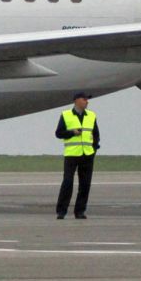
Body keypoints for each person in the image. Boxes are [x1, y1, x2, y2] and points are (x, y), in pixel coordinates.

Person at [54, 91, 100, 219]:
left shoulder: (91, 115)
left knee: (85, 184)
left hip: (87, 154)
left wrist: (94, 149)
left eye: (87, 99)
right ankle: (61, 211)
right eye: (84, 99)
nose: (87, 102)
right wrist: (71, 133)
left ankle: (80, 211)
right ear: (76, 101)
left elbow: (96, 134)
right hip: (72, 154)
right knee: (68, 182)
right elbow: (58, 133)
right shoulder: (66, 115)